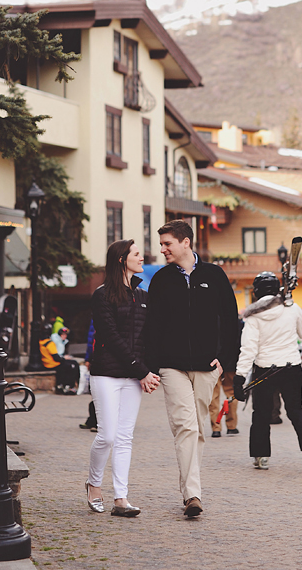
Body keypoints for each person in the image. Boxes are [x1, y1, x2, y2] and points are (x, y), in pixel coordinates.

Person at [145, 219, 239, 519]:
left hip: (206, 366)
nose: (163, 249)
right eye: (161, 244)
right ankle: (192, 495)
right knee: (185, 427)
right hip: (171, 367)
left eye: (167, 243)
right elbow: (152, 326)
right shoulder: (161, 279)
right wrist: (151, 365)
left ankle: (189, 487)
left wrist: (226, 360)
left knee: (197, 427)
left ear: (185, 242)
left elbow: (231, 319)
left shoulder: (214, 275)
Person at [87, 239, 160, 517]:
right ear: (121, 259)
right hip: (106, 373)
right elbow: (110, 337)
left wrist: (147, 370)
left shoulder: (143, 296)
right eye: (137, 254)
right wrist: (140, 370)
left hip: (133, 377)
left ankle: (121, 498)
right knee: (106, 436)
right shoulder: (102, 295)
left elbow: (148, 339)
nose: (142, 258)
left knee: (125, 437)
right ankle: (94, 484)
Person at [232, 271, 302, 473]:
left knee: (261, 414)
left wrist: (239, 377)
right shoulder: (291, 307)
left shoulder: (252, 316)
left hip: (265, 370)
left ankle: (261, 456)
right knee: (295, 409)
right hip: (292, 366)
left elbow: (248, 349)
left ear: (256, 292)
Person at [79, 319, 98, 432]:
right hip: (98, 358)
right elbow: (91, 340)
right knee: (96, 394)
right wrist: (88, 358)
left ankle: (95, 421)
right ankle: (94, 421)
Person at [209, 371, 239, 437]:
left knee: (213, 396)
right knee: (231, 393)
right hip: (230, 365)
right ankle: (231, 426)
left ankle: (216, 428)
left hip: (213, 366)